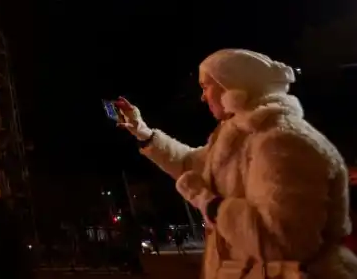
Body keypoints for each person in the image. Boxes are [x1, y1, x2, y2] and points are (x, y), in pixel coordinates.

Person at [116, 49, 357, 278]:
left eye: (205, 86)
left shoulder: (281, 140)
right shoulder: (237, 137)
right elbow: (188, 163)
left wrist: (210, 204)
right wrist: (143, 132)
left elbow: (286, 242)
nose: (202, 97)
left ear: (231, 87)